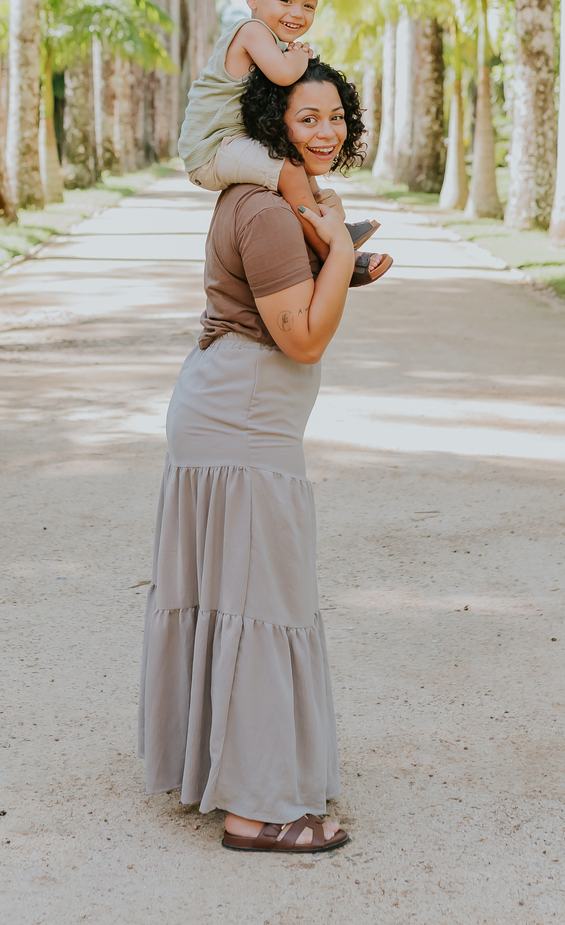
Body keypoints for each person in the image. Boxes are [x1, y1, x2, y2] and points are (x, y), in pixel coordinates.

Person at [138, 58, 393, 852]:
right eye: (306, 118)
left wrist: (337, 259)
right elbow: (304, 339)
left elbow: (277, 305)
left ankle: (227, 772)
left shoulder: (274, 206)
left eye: (334, 117)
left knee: (238, 599)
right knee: (263, 604)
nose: (326, 131)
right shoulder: (267, 212)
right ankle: (256, 811)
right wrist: (341, 261)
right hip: (244, 427)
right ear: (269, 123)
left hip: (233, 417)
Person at [176, 0, 382, 269]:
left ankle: (332, 230)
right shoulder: (252, 32)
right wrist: (299, 56)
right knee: (287, 169)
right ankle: (332, 255)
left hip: (232, 142)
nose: (297, 13)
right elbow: (285, 73)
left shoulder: (272, 42)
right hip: (210, 150)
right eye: (286, 1)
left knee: (295, 162)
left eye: (308, 5)